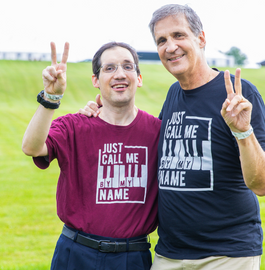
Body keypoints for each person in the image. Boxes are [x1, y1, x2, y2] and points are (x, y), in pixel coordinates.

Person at [80, 4, 265, 270]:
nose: (170, 46)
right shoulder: (174, 95)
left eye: (178, 35)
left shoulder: (238, 96)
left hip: (226, 254)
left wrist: (243, 131)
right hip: (169, 254)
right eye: (161, 40)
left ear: (201, 39)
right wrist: (102, 113)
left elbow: (263, 185)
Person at [21, 41, 161, 270]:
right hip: (76, 253)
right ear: (96, 80)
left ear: (139, 78)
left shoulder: (157, 132)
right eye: (109, 68)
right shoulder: (74, 126)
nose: (120, 74)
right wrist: (50, 97)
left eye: (128, 67)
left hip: (132, 257)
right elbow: (32, 147)